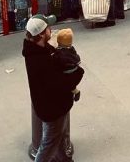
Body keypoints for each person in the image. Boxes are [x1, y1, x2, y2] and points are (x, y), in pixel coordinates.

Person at [23, 14, 84, 162]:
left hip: (52, 107)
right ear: (42, 34)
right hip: (53, 110)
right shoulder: (41, 61)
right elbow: (62, 83)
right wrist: (78, 72)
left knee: (60, 137)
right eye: (49, 28)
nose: (51, 29)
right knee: (48, 145)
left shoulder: (36, 49)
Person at [52, 28, 83, 103]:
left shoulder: (59, 53)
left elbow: (55, 61)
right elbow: (77, 58)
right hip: (75, 69)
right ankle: (75, 91)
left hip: (67, 73)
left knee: (67, 84)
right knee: (71, 85)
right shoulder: (71, 49)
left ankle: (76, 92)